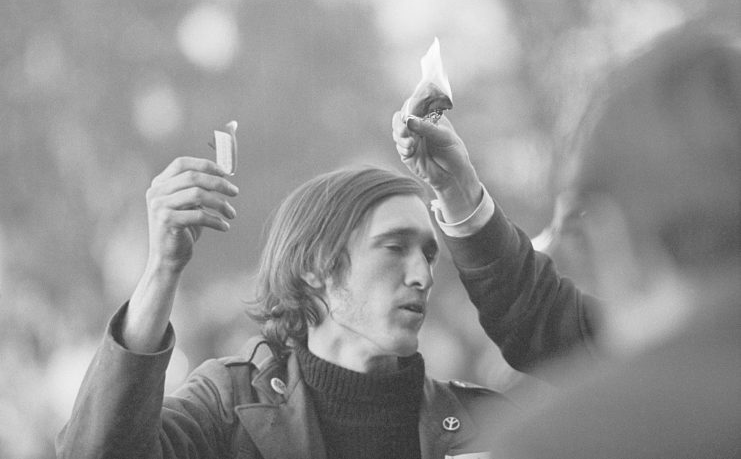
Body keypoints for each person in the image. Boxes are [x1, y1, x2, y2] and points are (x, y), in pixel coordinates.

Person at [392, 24, 741, 456]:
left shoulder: (568, 439)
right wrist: (460, 194)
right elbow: (548, 320)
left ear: (611, 228)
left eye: (581, 221)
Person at [56, 160, 514, 458]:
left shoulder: (490, 425)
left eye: (429, 254)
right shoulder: (227, 408)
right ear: (316, 267)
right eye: (394, 247)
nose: (422, 275)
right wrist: (162, 269)